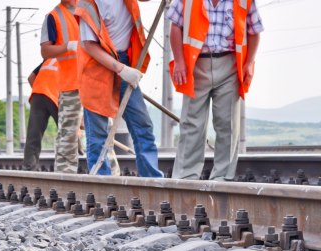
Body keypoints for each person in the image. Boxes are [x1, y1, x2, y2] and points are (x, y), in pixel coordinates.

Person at [168, 0, 263, 181]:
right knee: (191, 124)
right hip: (195, 65)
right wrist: (179, 61)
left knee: (227, 124)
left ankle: (222, 179)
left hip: (229, 65)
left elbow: (254, 31)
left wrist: (249, 63)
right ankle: (186, 177)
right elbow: (175, 27)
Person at [75, 0, 163, 178]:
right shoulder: (88, 3)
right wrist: (121, 69)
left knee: (142, 125)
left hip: (124, 62)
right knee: (98, 134)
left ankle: (152, 179)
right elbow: (89, 45)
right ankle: (102, 183)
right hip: (97, 68)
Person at [41, 0, 81, 173]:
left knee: (102, 131)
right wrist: (68, 46)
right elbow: (45, 51)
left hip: (95, 81)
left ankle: (108, 175)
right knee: (67, 135)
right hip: (70, 83)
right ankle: (66, 176)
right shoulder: (53, 16)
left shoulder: (90, 7)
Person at [23, 58, 59, 171]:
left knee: (33, 135)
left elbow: (31, 78)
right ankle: (79, 160)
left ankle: (29, 168)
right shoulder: (71, 57)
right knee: (69, 132)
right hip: (56, 95)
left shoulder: (49, 58)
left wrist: (43, 89)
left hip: (38, 94)